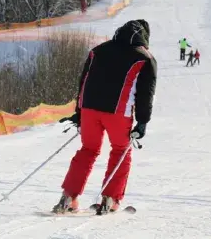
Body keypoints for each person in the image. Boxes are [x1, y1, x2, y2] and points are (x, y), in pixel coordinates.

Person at [55, 19, 157, 215]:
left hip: (89, 109)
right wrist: (143, 121)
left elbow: (84, 80)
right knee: (120, 150)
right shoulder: (144, 58)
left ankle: (69, 196)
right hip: (118, 112)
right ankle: (110, 198)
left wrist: (79, 111)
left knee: (88, 149)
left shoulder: (98, 50)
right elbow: (146, 93)